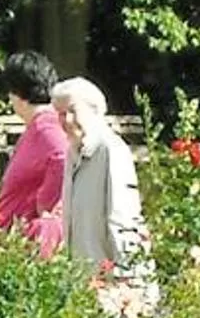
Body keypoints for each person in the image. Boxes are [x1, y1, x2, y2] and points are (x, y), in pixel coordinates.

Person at [53, 76, 145, 274]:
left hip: (112, 284)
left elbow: (123, 219)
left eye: (73, 111)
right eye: (61, 114)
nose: (66, 120)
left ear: (94, 110)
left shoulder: (111, 151)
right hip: (83, 282)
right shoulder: (73, 152)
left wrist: (128, 279)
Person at [0, 49, 68, 256]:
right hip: (17, 239)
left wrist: (46, 204)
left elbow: (62, 157)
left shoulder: (47, 128)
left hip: (30, 244)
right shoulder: (38, 126)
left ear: (17, 94)